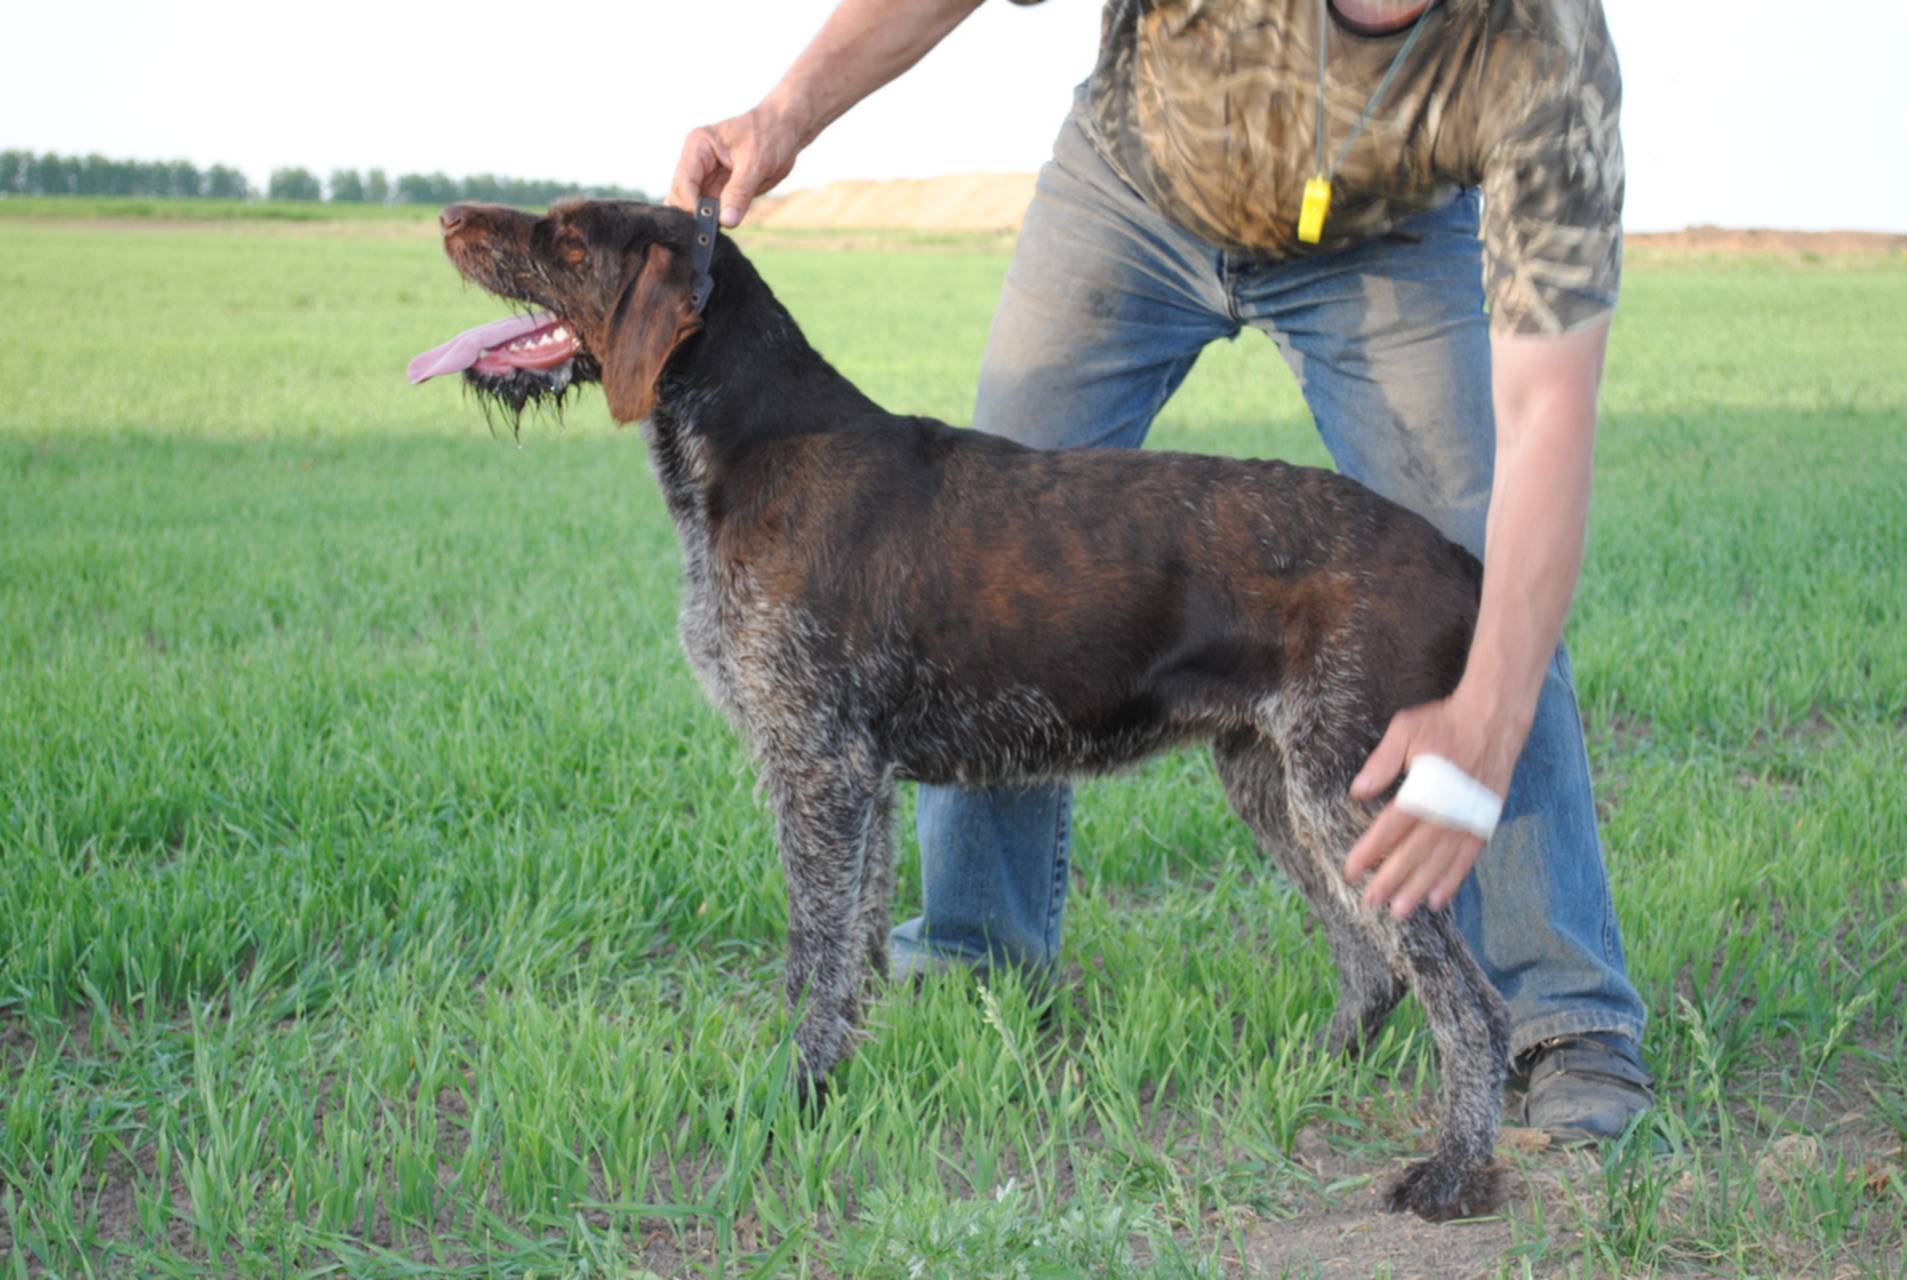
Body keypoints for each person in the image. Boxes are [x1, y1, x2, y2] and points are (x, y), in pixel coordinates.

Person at [669, 0, 1652, 1141]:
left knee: (1467, 576)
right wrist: (785, 111)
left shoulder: (1540, 50)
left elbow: (1545, 419)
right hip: (1134, 187)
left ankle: (1565, 1017)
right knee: (963, 563)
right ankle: (975, 964)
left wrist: (1482, 715)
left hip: (1382, 239)